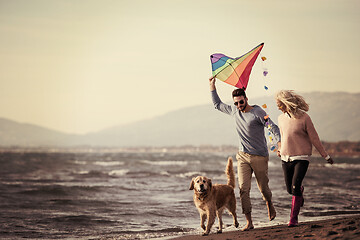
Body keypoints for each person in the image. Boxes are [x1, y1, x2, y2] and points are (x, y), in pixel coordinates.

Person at [209, 76, 281, 231]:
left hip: (260, 156)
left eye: (241, 102)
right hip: (243, 156)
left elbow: (272, 126)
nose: (238, 105)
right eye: (236, 103)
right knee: (243, 190)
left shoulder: (258, 112)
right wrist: (212, 86)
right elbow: (217, 104)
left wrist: (279, 142)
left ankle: (269, 202)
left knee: (264, 188)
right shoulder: (234, 111)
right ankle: (249, 222)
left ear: (246, 99)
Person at [275, 90, 334, 227]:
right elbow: (284, 137)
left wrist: (325, 155)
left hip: (302, 157)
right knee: (290, 190)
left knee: (294, 187)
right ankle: (299, 192)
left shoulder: (304, 118)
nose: (277, 106)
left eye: (279, 104)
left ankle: (293, 219)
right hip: (285, 157)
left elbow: (314, 138)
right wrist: (280, 149)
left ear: (286, 103)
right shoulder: (280, 118)